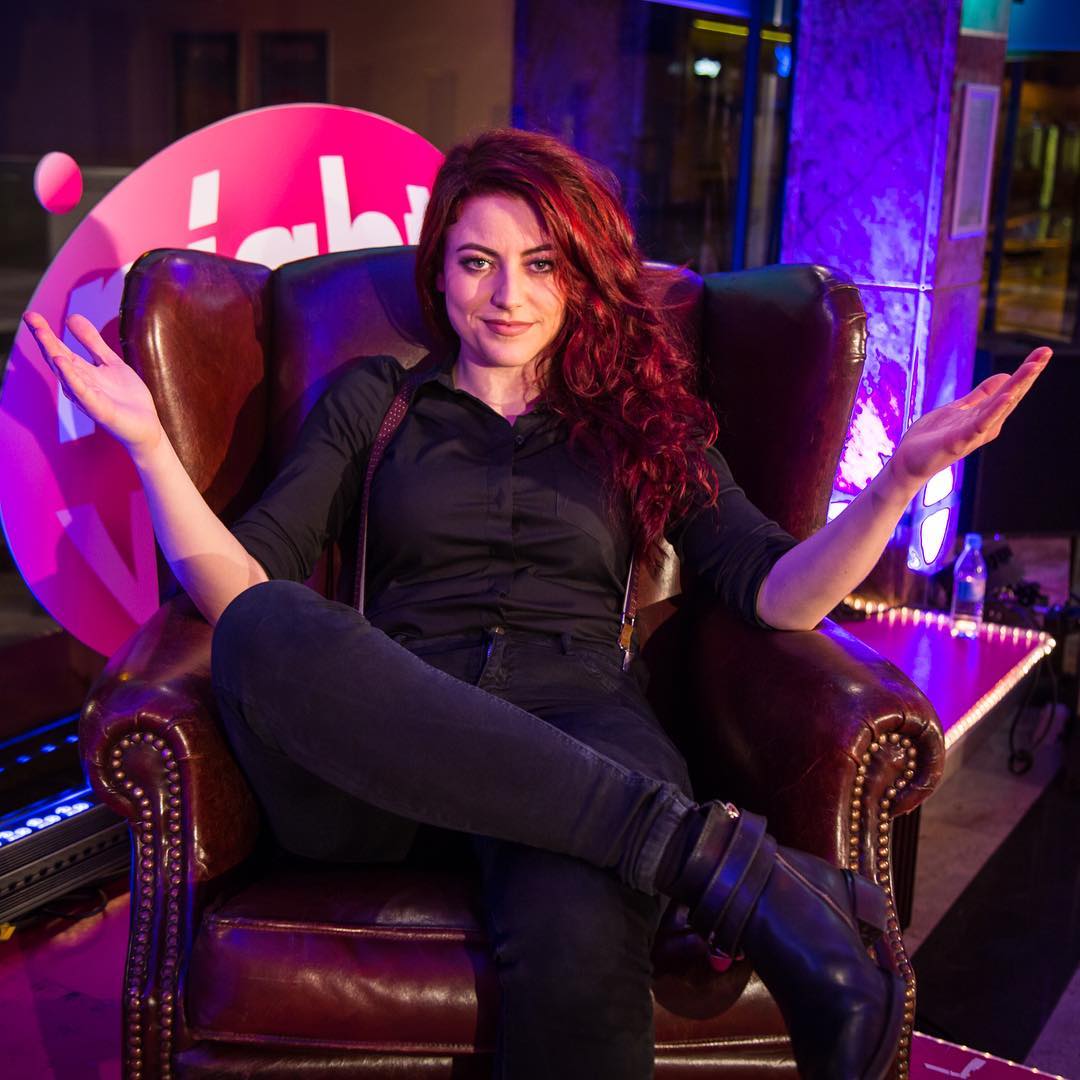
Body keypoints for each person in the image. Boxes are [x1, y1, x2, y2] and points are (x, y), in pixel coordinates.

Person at [24, 128, 1051, 1080]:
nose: (506, 295)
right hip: (392, 750)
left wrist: (897, 482)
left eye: (541, 264)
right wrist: (149, 446)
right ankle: (713, 862)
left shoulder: (642, 420)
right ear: (441, 273)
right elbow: (245, 584)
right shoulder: (375, 400)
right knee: (262, 623)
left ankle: (683, 853)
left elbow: (778, 595)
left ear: (579, 278)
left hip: (583, 727)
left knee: (578, 938)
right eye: (477, 262)